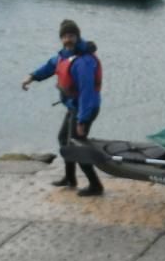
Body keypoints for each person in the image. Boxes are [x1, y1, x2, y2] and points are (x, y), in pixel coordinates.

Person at [22, 19, 104, 197]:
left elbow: (87, 93)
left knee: (76, 145)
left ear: (77, 36)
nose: (68, 39)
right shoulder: (64, 55)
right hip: (73, 106)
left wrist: (82, 120)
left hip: (85, 108)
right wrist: (32, 76)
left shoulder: (84, 62)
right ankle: (69, 178)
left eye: (71, 36)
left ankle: (95, 185)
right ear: (61, 38)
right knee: (63, 139)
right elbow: (51, 65)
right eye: (65, 36)